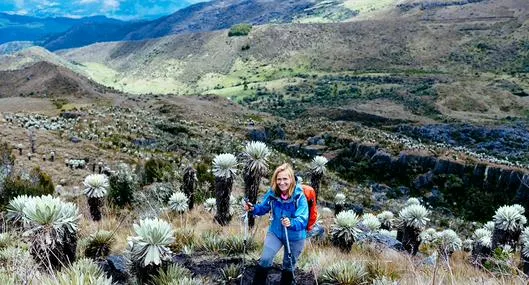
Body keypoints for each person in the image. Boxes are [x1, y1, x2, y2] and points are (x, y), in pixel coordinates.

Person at [244, 163, 308, 285]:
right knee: (265, 259)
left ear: (291, 179)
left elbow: (303, 218)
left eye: (285, 179)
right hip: (276, 233)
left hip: (295, 237)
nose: (281, 182)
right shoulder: (273, 193)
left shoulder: (299, 196)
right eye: (279, 179)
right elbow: (263, 208)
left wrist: (291, 222)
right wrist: (253, 208)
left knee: (288, 266)